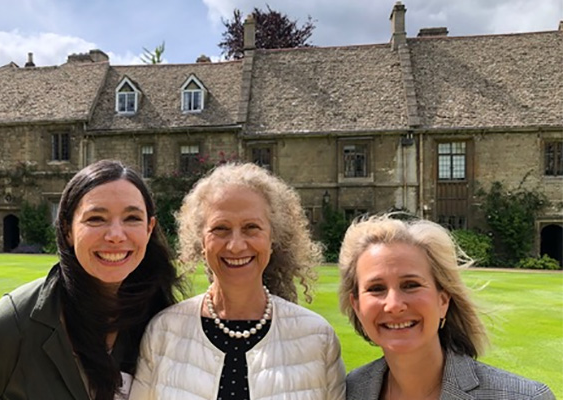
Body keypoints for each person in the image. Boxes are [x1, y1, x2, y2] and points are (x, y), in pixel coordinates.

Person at [0, 160, 184, 400]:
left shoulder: (162, 321)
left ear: (149, 228)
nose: (116, 235)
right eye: (96, 219)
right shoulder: (10, 327)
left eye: (132, 218)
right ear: (67, 229)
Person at [130, 162, 346, 400]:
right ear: (201, 240)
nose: (236, 245)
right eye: (220, 229)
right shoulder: (164, 332)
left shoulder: (317, 338)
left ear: (272, 238)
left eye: (251, 228)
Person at [338, 214, 555, 400]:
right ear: (356, 305)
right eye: (376, 288)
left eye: (411, 285)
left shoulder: (524, 397)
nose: (394, 305)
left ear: (443, 300)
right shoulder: (348, 392)